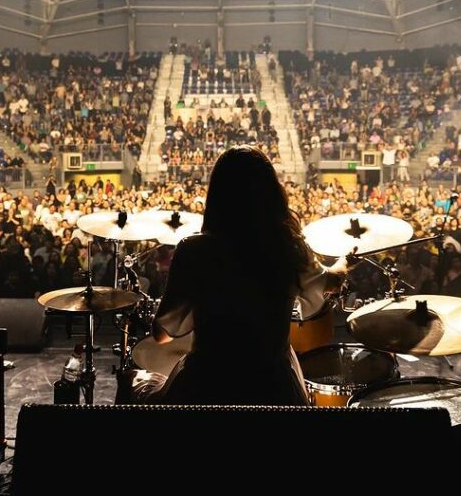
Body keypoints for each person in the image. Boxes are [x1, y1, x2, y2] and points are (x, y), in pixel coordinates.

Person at [143, 146, 348, 405]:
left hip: (207, 385)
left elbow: (162, 334)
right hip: (274, 388)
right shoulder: (289, 246)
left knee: (135, 381)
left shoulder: (193, 250)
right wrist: (344, 261)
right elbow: (331, 281)